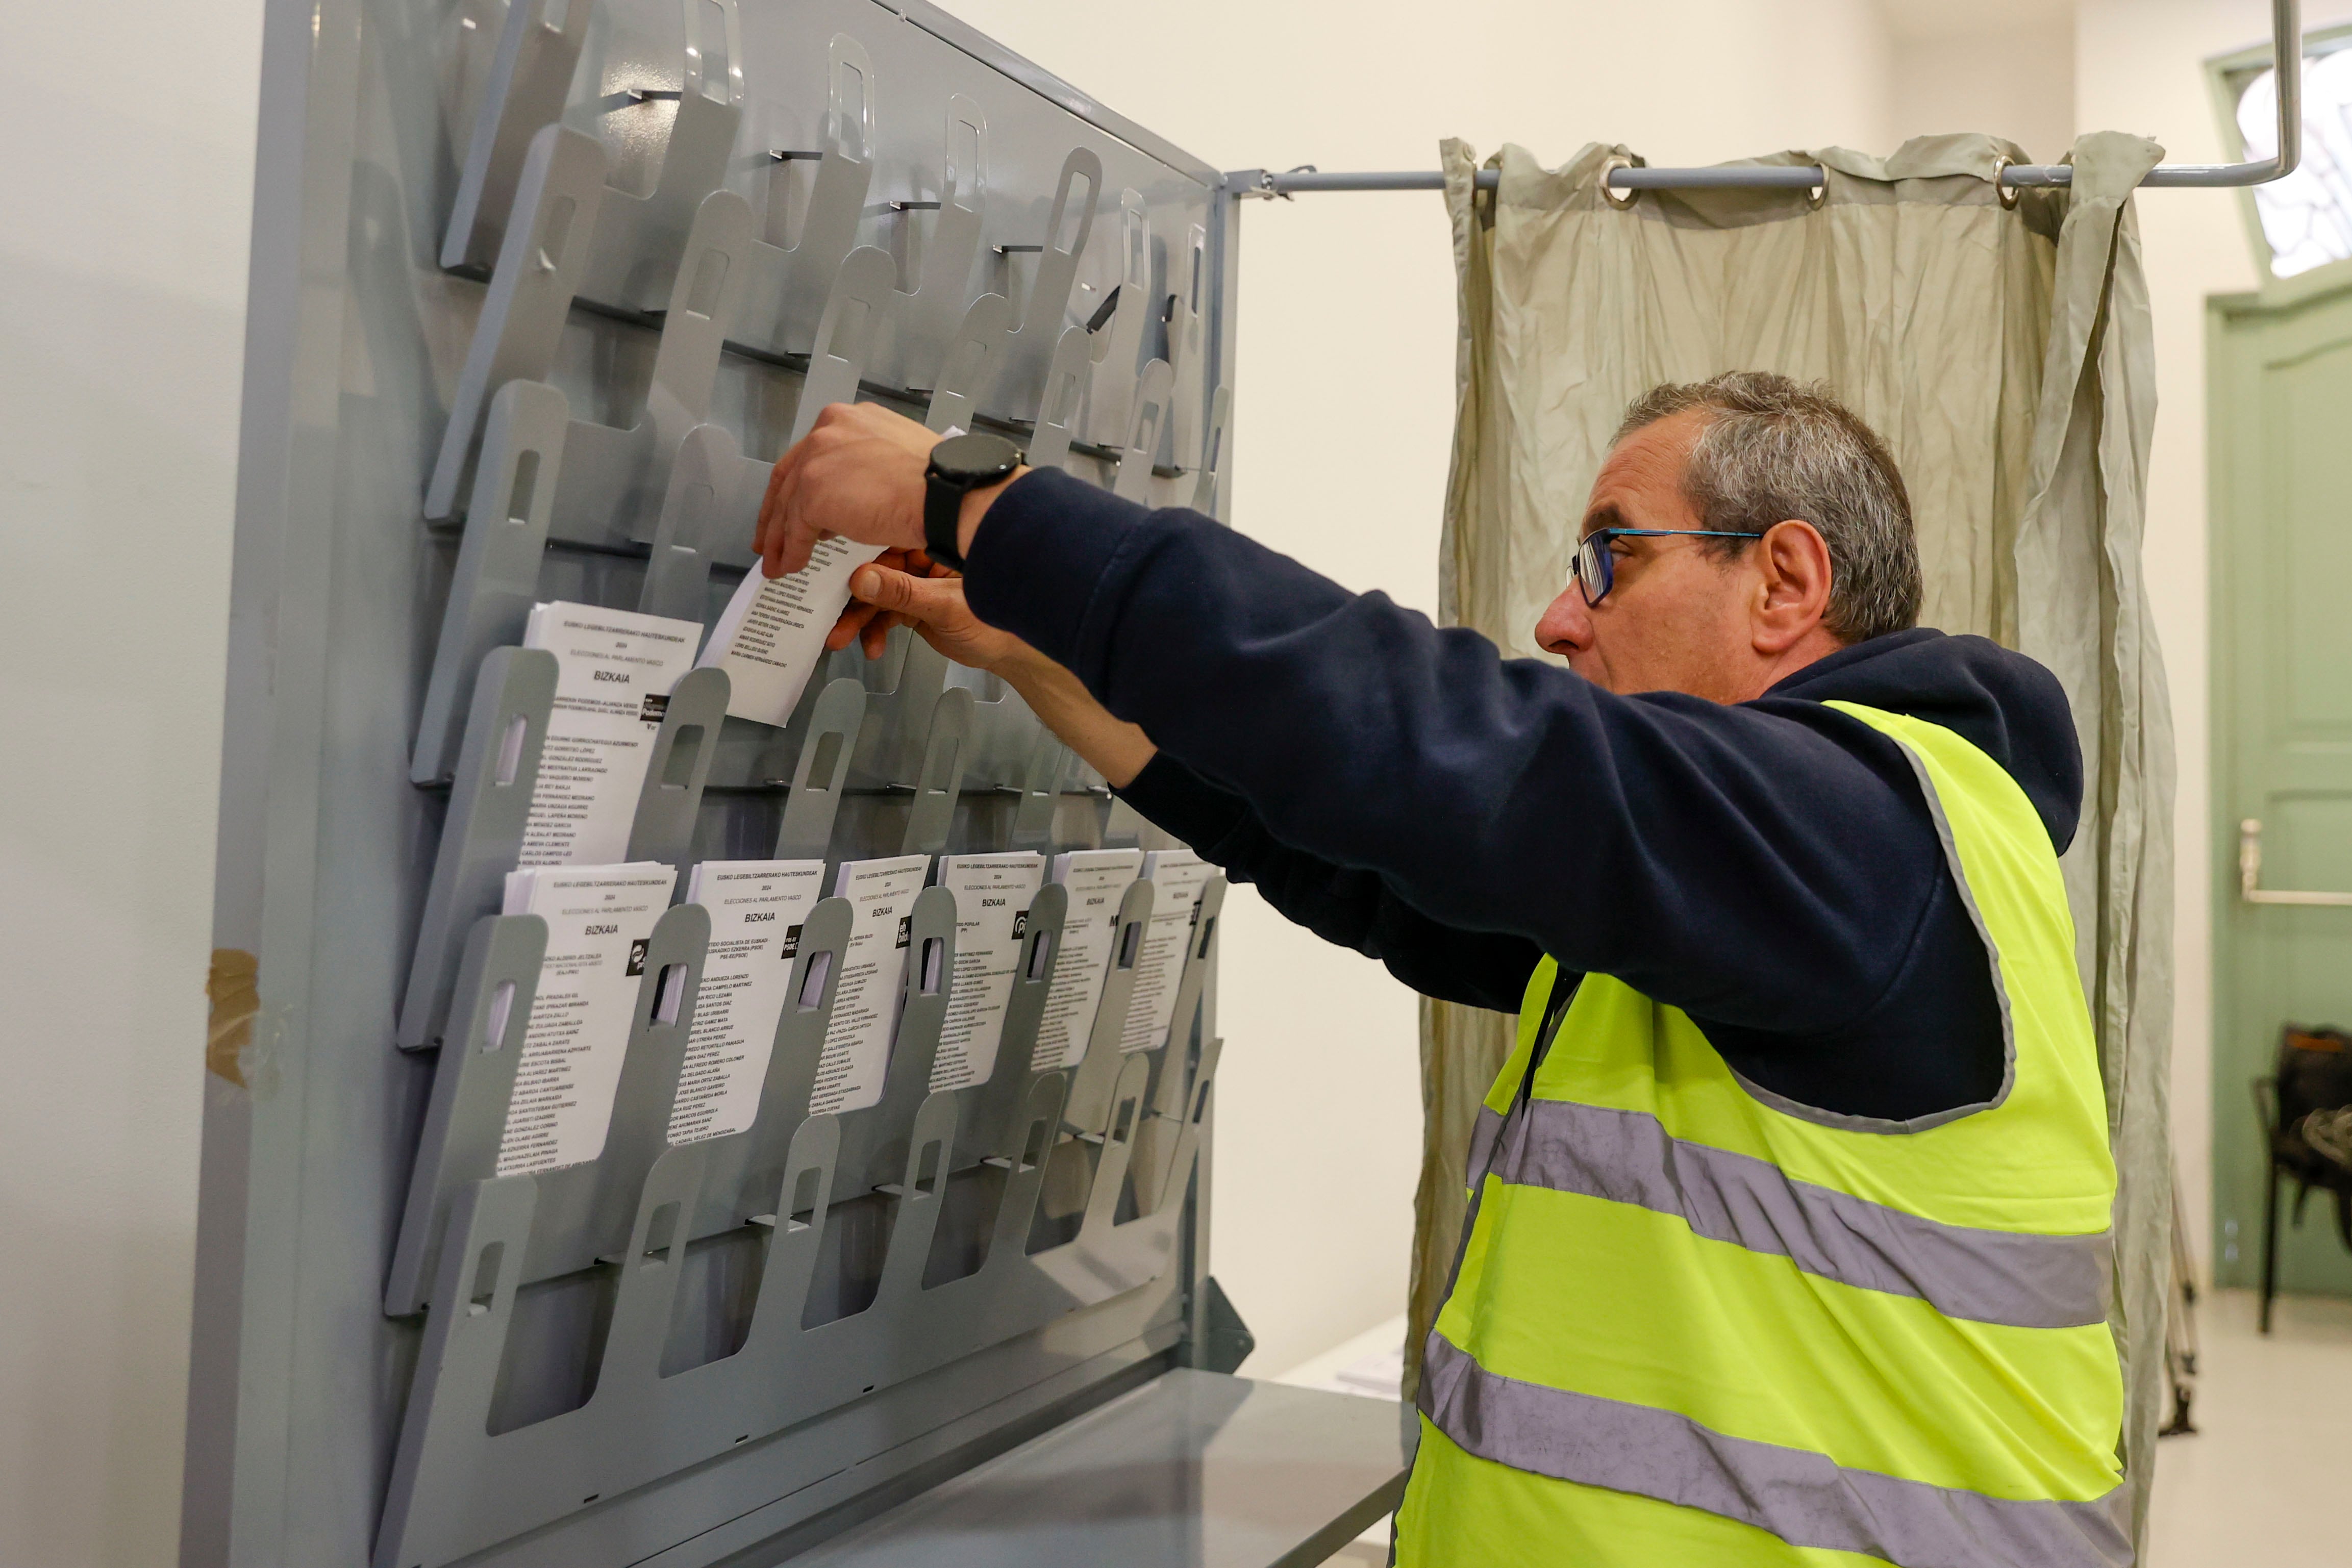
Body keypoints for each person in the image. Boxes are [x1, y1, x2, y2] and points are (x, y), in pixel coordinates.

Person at [755, 371, 2127, 1567]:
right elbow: (1362, 856)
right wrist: (1026, 649)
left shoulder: (1862, 835)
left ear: (1782, 580)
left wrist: (975, 505)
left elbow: (1432, 735)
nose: (1556, 617)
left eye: (1610, 557)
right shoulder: (1738, 891)